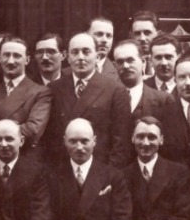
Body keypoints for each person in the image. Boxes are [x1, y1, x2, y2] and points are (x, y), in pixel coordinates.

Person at [41, 34, 132, 171]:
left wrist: (108, 177)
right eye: (75, 52)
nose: (81, 57)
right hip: (63, 173)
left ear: (98, 56)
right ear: (68, 57)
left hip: (100, 172)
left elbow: (121, 143)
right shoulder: (54, 89)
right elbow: (48, 140)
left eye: (86, 51)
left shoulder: (115, 90)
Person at [0, 35, 51, 150]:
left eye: (17, 56)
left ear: (27, 60)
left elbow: (33, 130)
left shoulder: (40, 92)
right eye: (6, 55)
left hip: (25, 156)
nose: (10, 61)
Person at [111, 40, 170, 135]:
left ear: (143, 62)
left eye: (130, 60)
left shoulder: (163, 100)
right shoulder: (108, 98)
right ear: (114, 66)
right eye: (120, 62)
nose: (125, 66)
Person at [129, 10, 161, 78]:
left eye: (147, 33)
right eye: (137, 34)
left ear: (158, 34)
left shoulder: (167, 62)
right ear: (131, 36)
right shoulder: (125, 64)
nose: (142, 38)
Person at [88, 17, 119, 82]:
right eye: (99, 34)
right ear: (87, 35)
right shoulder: (66, 73)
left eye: (109, 36)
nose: (104, 40)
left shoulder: (120, 74)